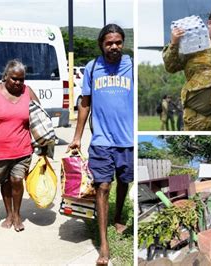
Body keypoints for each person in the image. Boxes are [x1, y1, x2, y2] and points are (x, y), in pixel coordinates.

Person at [68, 24, 133, 265]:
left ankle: (118, 214)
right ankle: (104, 245)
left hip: (127, 141)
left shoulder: (132, 66)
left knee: (124, 181)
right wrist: (77, 137)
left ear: (122, 43)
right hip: (101, 141)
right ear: (101, 45)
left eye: (118, 42)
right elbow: (85, 103)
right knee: (103, 187)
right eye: (109, 43)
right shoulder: (93, 68)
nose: (114, 46)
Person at [0, 59, 40, 232]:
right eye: (14, 79)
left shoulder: (27, 92)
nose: (18, 83)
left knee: (16, 180)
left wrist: (44, 142)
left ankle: (17, 214)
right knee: (5, 182)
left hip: (22, 149)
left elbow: (39, 114)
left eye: (21, 79)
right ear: (5, 76)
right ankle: (8, 214)